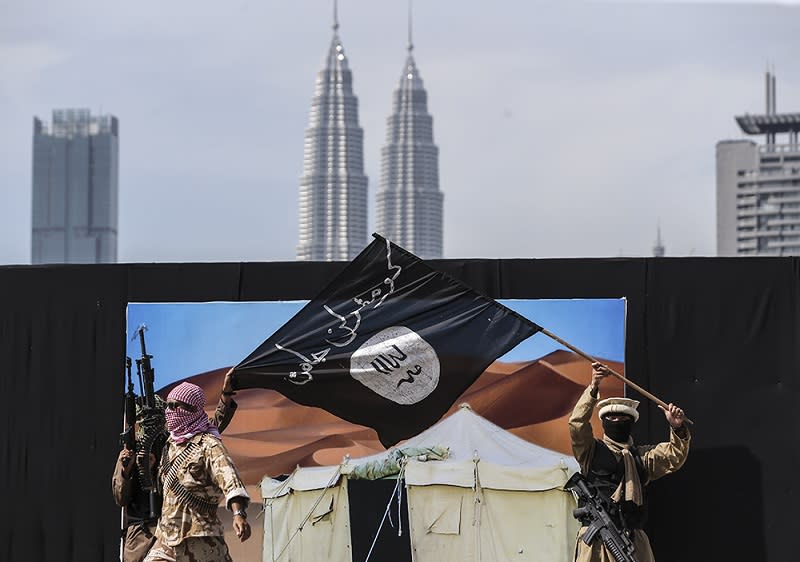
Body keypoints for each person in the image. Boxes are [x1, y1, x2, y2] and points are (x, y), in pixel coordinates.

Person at [568, 362, 690, 562]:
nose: (616, 421)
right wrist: (593, 387)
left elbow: (673, 456)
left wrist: (677, 428)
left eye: (622, 418)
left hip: (632, 542)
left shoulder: (642, 457)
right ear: (605, 421)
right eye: (611, 417)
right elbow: (577, 424)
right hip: (597, 543)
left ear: (631, 422)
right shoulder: (591, 451)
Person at [113, 370, 239, 562]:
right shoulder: (130, 451)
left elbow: (208, 426)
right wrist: (127, 470)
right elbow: (120, 497)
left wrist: (225, 397)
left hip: (173, 531)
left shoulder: (174, 441)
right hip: (140, 535)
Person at [143, 380, 250, 562]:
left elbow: (230, 478)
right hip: (167, 538)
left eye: (174, 406)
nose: (169, 411)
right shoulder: (170, 445)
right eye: (168, 405)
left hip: (200, 536)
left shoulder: (208, 445)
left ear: (191, 410)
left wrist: (238, 514)